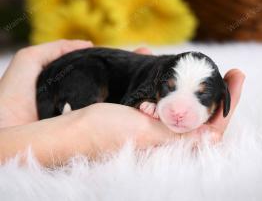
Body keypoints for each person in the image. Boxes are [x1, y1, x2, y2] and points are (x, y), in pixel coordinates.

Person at [0, 40, 245, 166]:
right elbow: (131, 98)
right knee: (88, 76)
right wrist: (78, 129)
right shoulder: (151, 79)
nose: (179, 111)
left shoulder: (163, 76)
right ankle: (65, 112)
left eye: (201, 96)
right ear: (158, 84)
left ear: (221, 99)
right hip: (84, 70)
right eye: (169, 90)